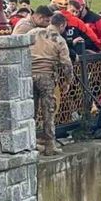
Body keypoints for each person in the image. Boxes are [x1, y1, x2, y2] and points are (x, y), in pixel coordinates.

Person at [29, 12, 72, 156]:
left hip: (29, 75)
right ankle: (50, 145)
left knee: (31, 112)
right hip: (46, 76)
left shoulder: (33, 32)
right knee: (48, 112)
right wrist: (67, 82)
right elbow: (67, 64)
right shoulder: (59, 40)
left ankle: (30, 143)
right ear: (62, 25)